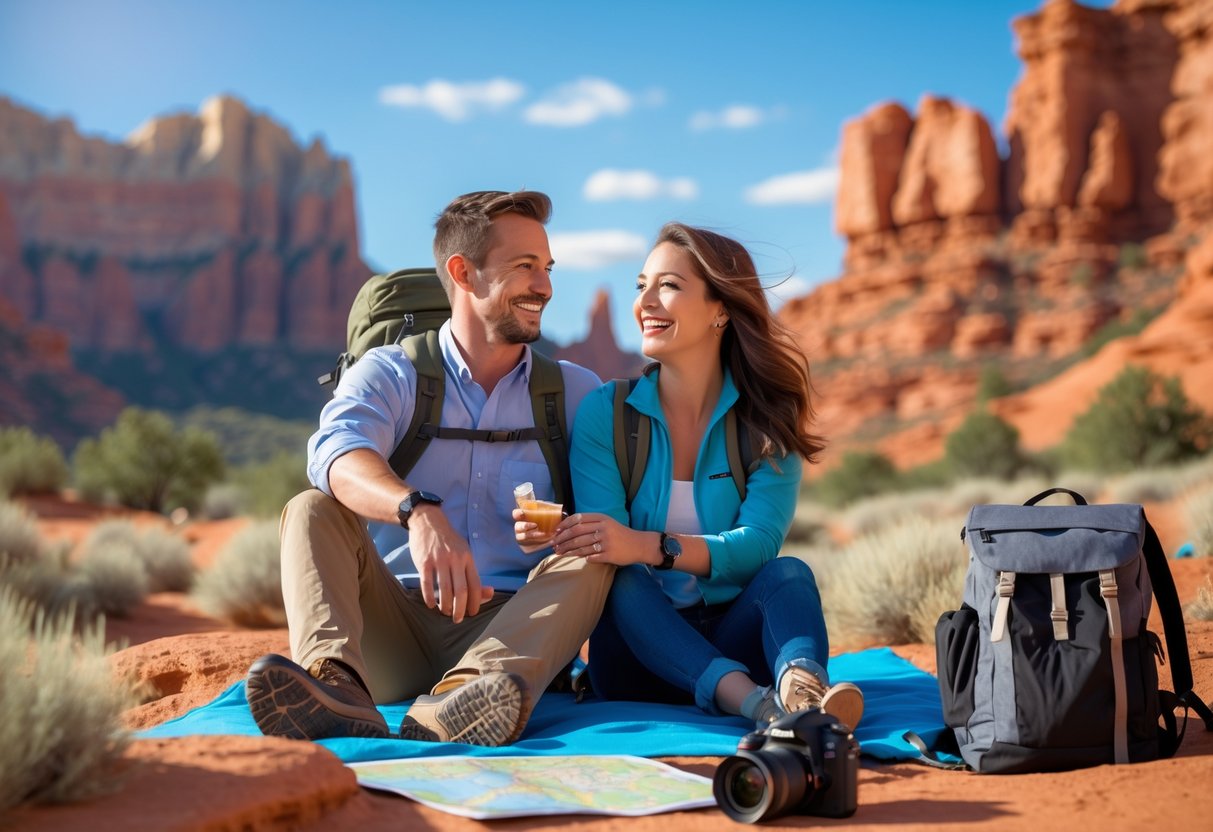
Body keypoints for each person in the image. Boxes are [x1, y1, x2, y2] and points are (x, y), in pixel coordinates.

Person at [246, 190, 610, 747]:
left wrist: (563, 531)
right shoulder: (391, 372)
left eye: (547, 268)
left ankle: (461, 702)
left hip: (512, 643)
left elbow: (617, 509)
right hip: (393, 632)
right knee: (311, 508)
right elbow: (335, 453)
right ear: (463, 273)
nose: (546, 286)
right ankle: (337, 688)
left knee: (594, 554)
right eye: (525, 267)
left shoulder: (575, 392)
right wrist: (417, 511)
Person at [520, 222, 863, 728]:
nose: (645, 302)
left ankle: (802, 687)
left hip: (734, 636)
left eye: (669, 286)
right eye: (642, 286)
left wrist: (653, 545)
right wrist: (630, 548)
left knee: (788, 574)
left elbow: (759, 544)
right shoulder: (606, 414)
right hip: (638, 654)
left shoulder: (766, 422)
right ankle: (754, 702)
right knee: (622, 579)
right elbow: (608, 546)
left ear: (721, 309)